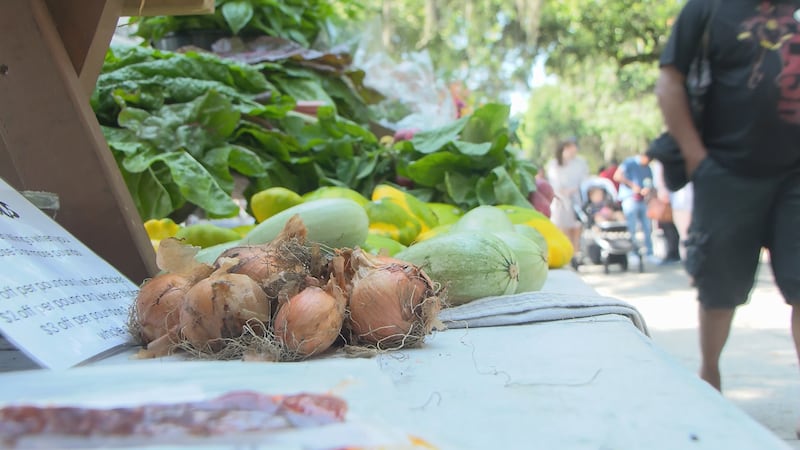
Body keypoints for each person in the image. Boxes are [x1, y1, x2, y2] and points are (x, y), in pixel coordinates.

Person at [655, 0, 800, 414]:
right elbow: (670, 81)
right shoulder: (706, 9)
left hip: (796, 175)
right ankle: (710, 374)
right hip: (727, 170)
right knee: (719, 287)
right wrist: (695, 156)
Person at [545, 139, 589, 264]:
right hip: (560, 201)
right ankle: (566, 255)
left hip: (576, 199)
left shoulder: (580, 163)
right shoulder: (554, 164)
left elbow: (584, 180)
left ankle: (576, 255)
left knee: (576, 228)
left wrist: (574, 190)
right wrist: (563, 191)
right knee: (562, 228)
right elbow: (554, 183)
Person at [613, 153, 655, 259]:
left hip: (643, 200)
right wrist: (632, 185)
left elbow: (649, 182)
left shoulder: (648, 167)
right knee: (631, 227)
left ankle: (649, 253)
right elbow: (617, 176)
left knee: (647, 227)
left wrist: (647, 189)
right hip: (630, 198)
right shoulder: (629, 163)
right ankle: (632, 252)